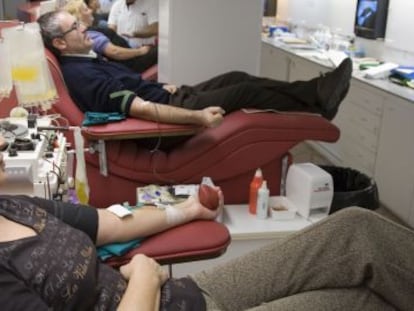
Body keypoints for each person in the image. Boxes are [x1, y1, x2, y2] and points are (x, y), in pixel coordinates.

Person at [1, 138, 413, 310]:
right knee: (357, 302)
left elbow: (111, 222)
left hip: (184, 295)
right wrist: (145, 276)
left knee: (356, 231)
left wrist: (189, 211)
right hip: (153, 293)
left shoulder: (11, 206)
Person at [38, 10, 351, 129]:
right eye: (75, 27)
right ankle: (317, 99)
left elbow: (133, 90)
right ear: (60, 44)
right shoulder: (82, 75)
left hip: (166, 96)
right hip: (168, 113)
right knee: (244, 91)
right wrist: (197, 117)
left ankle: (315, 95)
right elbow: (142, 109)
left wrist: (164, 86)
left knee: (235, 77)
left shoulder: (84, 61)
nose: (84, 29)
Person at [63, 0, 157, 73]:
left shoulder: (92, 31)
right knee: (162, 51)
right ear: (79, 16)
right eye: (86, 10)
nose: (91, 11)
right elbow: (115, 52)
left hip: (129, 58)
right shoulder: (90, 34)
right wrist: (140, 51)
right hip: (130, 63)